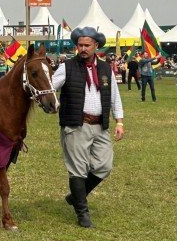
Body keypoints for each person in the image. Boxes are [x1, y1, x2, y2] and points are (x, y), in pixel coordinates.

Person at [51, 27, 125, 228]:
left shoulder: (105, 69)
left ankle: (76, 196)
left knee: (104, 166)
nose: (82, 48)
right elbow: (49, 88)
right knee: (78, 169)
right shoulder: (66, 67)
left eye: (87, 45)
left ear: (96, 46)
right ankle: (82, 212)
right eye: (80, 45)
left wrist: (119, 121)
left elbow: (114, 96)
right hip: (76, 125)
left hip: (100, 125)